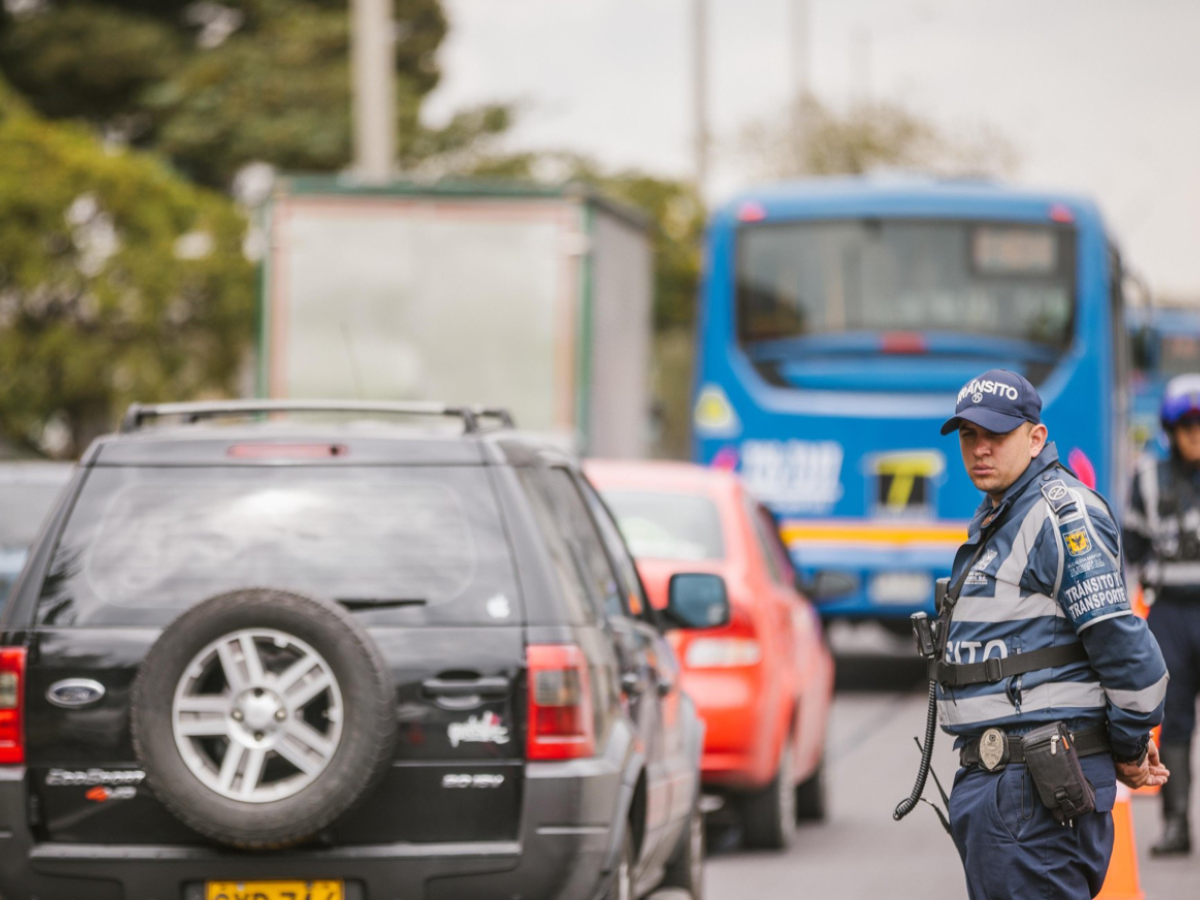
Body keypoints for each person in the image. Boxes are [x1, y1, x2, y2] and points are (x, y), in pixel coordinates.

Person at [937, 368, 1169, 900]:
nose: (980, 449)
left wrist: (1129, 749)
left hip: (1032, 794)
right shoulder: (1006, 512)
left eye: (996, 434)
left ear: (1036, 436)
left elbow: (1132, 659)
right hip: (1010, 792)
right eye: (969, 435)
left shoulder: (1059, 514)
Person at [1124, 373, 1200, 856]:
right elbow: (1131, 544)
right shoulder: (1147, 476)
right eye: (1188, 425)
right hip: (1170, 614)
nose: (1196, 434)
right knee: (1172, 721)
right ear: (1170, 430)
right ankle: (1176, 824)